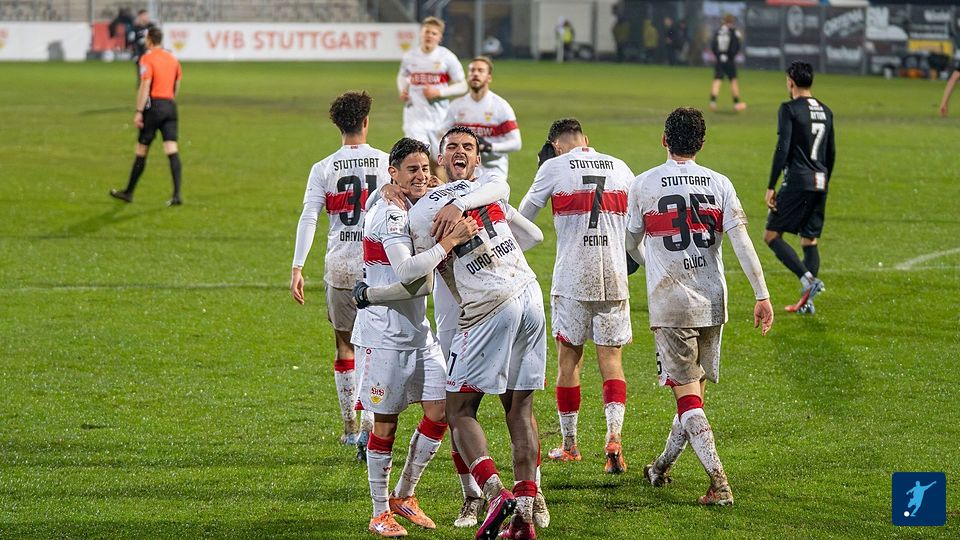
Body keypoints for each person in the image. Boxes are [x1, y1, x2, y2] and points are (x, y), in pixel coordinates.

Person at [626, 107, 774, 506]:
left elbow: (630, 242)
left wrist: (648, 263)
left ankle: (719, 484)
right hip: (712, 301)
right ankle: (660, 467)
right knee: (693, 397)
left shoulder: (644, 184)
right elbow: (742, 242)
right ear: (702, 144)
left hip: (671, 303)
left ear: (664, 139)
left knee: (688, 397)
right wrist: (761, 294)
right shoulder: (720, 183)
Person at [405, 127, 547, 540]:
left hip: (488, 304)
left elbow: (416, 273)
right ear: (440, 160)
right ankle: (525, 519)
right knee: (519, 409)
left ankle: (494, 494)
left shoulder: (421, 212)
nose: (459, 151)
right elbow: (528, 226)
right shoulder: (489, 189)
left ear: (475, 158)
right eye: (452, 147)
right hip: (529, 294)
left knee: (459, 409)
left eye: (467, 146)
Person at [352, 137, 479, 537]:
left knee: (441, 410)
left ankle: (404, 495)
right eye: (412, 170)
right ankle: (379, 513)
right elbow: (409, 273)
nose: (421, 176)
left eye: (425, 168)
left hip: (418, 333)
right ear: (393, 173)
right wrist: (450, 242)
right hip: (383, 335)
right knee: (385, 425)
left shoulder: (409, 204)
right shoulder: (389, 214)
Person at [518, 119, 635, 475]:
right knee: (611, 360)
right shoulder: (620, 167)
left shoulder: (553, 167)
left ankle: (570, 445)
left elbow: (522, 219)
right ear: (586, 139)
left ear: (555, 146)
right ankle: (613, 437)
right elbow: (637, 223)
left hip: (572, 276)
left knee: (569, 360)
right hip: (613, 275)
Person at [287, 91, 389, 454]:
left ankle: (349, 426)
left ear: (338, 126)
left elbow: (309, 217)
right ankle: (370, 424)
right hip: (379, 268)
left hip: (341, 268)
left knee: (345, 345)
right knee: (375, 347)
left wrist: (298, 266)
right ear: (366, 122)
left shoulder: (324, 168)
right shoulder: (386, 162)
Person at [764, 61, 835, 314]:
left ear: (791, 81)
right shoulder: (826, 111)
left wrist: (771, 185)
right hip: (821, 181)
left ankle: (808, 279)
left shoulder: (789, 109)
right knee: (809, 240)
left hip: (798, 180)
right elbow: (831, 153)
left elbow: (783, 147)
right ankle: (808, 303)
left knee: (771, 235)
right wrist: (823, 181)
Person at [110, 27, 183, 206]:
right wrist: (169, 100)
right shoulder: (173, 58)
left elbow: (145, 85)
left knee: (142, 150)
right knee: (171, 149)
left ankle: (128, 192)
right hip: (170, 105)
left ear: (149, 40)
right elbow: (177, 83)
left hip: (153, 107)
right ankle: (177, 195)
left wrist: (139, 111)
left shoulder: (147, 58)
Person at [397, 16, 467, 173]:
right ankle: (423, 188)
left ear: (439, 37)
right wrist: (403, 89)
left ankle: (442, 188)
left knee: (439, 162)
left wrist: (439, 92)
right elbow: (403, 75)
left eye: (434, 33)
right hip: (415, 118)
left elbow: (462, 85)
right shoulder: (410, 56)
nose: (429, 36)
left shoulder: (446, 57)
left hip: (439, 118)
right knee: (420, 158)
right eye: (427, 32)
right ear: (421, 33)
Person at [437, 56, 521, 179]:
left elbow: (516, 143)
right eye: (472, 70)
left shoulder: (501, 106)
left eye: (480, 71)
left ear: (489, 77)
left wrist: (490, 147)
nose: (475, 74)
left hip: (493, 171)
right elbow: (442, 133)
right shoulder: (456, 106)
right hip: (464, 170)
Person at [709, 14, 746, 112]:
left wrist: (718, 56)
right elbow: (736, 46)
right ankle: (736, 103)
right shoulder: (733, 32)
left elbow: (713, 45)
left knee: (717, 80)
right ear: (732, 22)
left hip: (719, 59)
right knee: (733, 80)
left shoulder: (718, 31)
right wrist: (731, 56)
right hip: (729, 60)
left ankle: (712, 102)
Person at [129, 9, 155, 84]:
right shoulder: (135, 28)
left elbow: (156, 39)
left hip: (151, 55)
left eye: (147, 15)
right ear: (140, 16)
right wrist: (135, 54)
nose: (147, 17)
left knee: (153, 75)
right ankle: (142, 90)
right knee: (142, 76)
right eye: (144, 15)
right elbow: (131, 42)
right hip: (141, 55)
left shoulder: (152, 26)